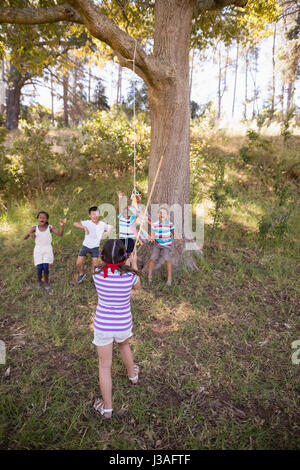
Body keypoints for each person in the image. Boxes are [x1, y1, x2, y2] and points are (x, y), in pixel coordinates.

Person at [92, 239, 141, 419]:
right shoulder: (130, 277)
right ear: (124, 256)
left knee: (105, 367)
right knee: (124, 346)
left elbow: (105, 267)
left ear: (103, 257)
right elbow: (137, 286)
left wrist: (124, 262)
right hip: (122, 324)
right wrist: (133, 264)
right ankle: (132, 376)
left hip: (103, 326)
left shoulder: (96, 275)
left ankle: (107, 409)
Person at [24, 211, 64, 290]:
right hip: (38, 250)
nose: (42, 218)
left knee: (45, 267)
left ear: (47, 219)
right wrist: (29, 234)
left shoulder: (50, 227)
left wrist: (62, 226)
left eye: (44, 217)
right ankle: (39, 281)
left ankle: (46, 281)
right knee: (39, 268)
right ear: (38, 219)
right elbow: (24, 238)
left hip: (47, 249)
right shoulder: (35, 227)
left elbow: (60, 234)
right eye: (40, 217)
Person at [73, 206, 113, 284]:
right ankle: (81, 274)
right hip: (85, 246)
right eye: (93, 214)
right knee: (78, 263)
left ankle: (95, 278)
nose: (95, 216)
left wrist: (108, 232)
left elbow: (111, 226)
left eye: (96, 214)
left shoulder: (102, 224)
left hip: (95, 247)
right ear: (89, 215)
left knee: (95, 265)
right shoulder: (87, 222)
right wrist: (84, 227)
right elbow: (75, 223)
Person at [148, 207, 181, 286]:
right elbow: (152, 234)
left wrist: (179, 239)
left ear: (167, 215)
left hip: (166, 244)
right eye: (160, 213)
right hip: (157, 244)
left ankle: (169, 278)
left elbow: (173, 232)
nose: (162, 214)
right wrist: (152, 237)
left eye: (164, 213)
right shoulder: (155, 224)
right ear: (158, 214)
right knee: (153, 258)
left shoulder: (169, 224)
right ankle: (149, 276)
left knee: (167, 259)